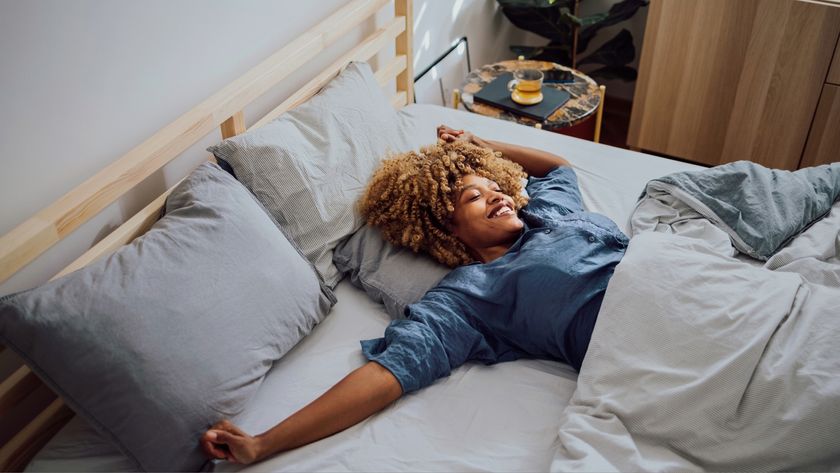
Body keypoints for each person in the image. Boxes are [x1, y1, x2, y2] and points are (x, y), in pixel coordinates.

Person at [200, 125, 629, 465]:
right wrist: (263, 443)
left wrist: (481, 143)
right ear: (448, 230)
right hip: (634, 336)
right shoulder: (472, 297)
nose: (497, 195)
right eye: (473, 198)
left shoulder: (546, 210)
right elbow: (389, 373)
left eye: (494, 186)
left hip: (672, 275)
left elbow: (559, 170)